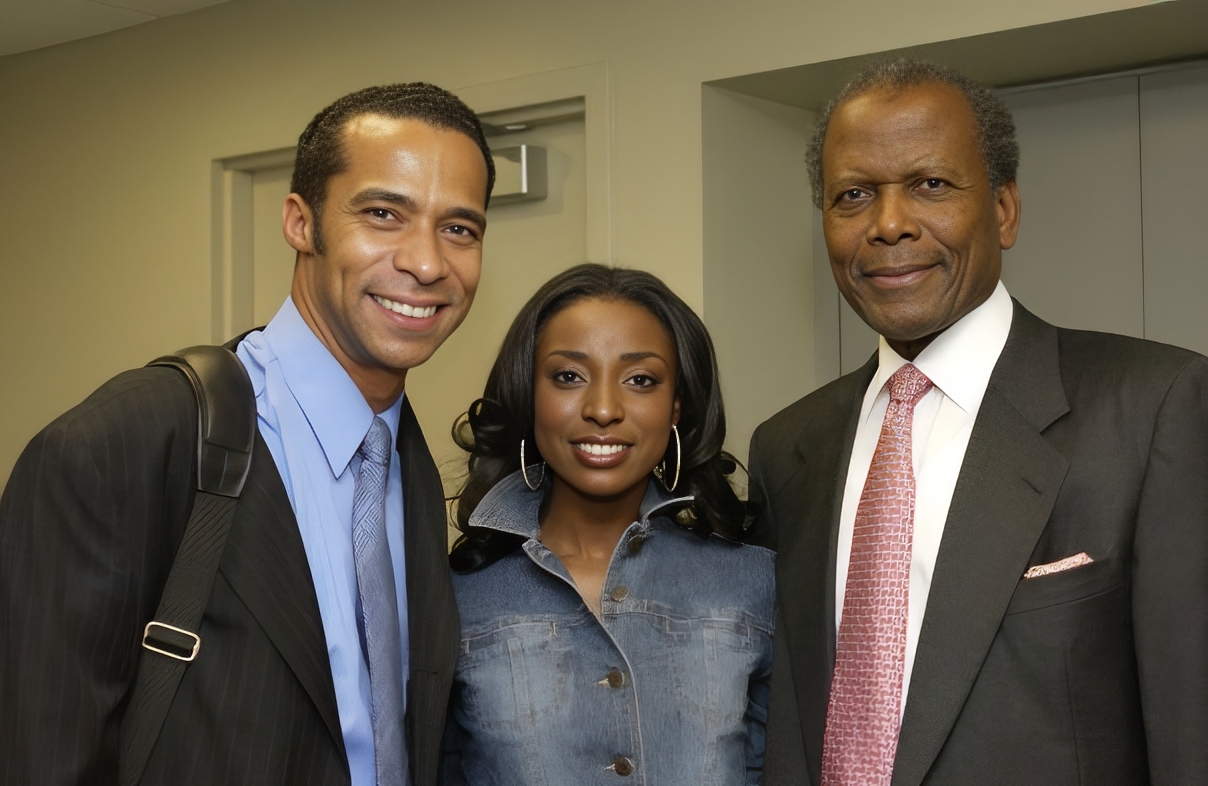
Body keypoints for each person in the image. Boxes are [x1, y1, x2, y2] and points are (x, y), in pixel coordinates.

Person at [0, 82, 495, 786]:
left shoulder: (407, 460)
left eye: (459, 229)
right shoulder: (124, 445)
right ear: (300, 222)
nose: (426, 262)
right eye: (383, 214)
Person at [751, 58, 1208, 786]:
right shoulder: (786, 450)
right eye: (854, 195)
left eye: (930, 185)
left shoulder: (1153, 408)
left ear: (1003, 210)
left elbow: (1191, 730)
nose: (889, 225)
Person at [440, 263, 775, 785]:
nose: (602, 409)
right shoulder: (452, 599)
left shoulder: (753, 583)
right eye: (568, 376)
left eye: (640, 380)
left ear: (675, 406)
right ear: (529, 396)